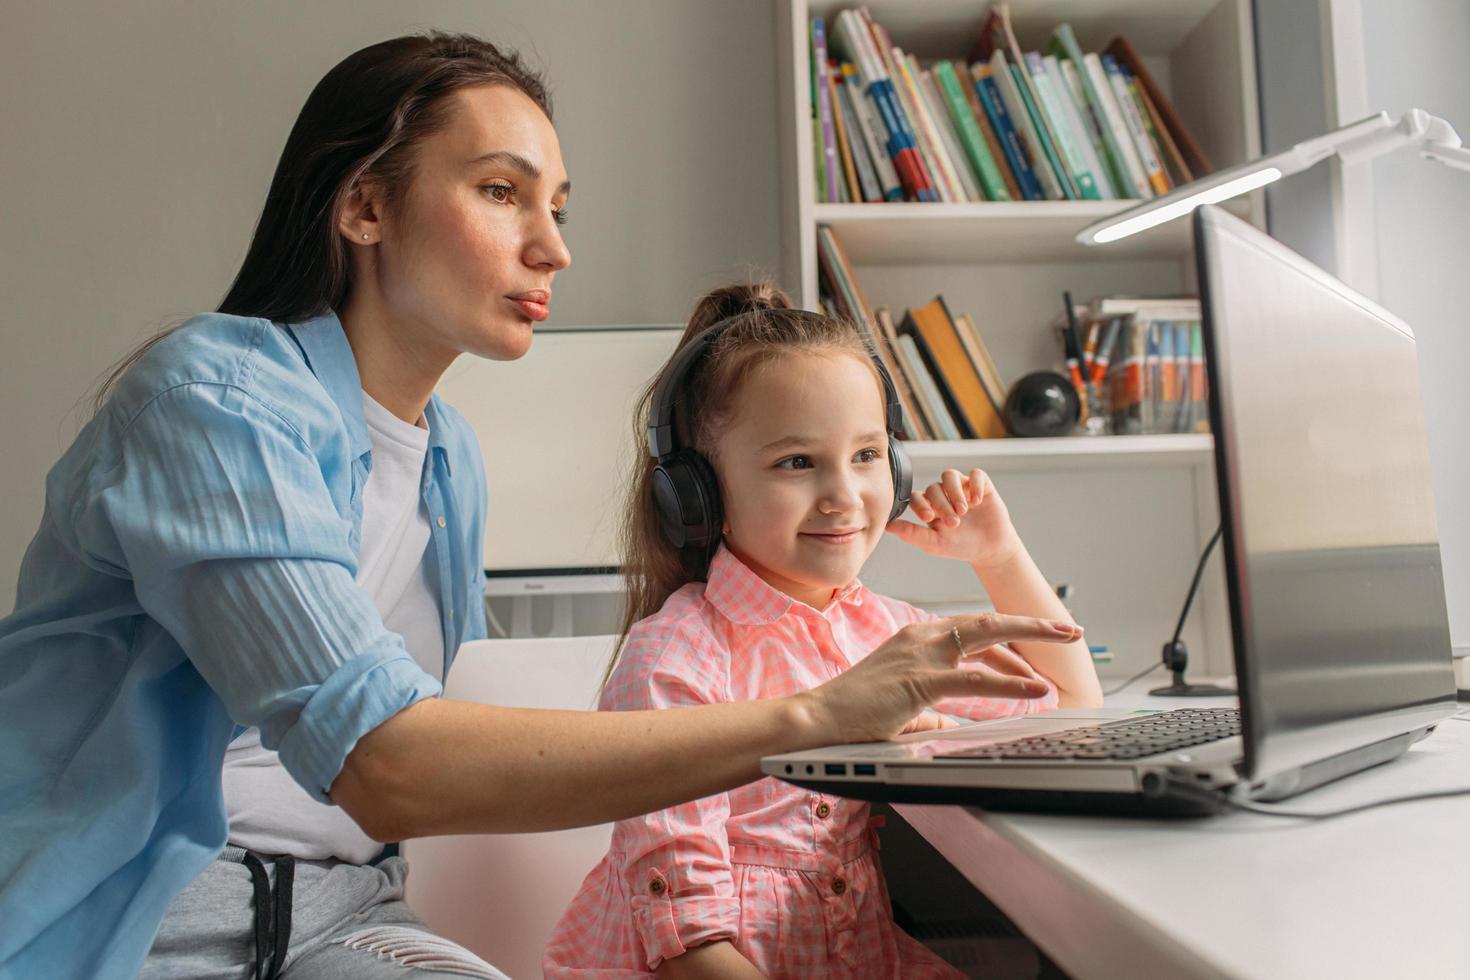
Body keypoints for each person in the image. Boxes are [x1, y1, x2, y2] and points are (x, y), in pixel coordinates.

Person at [0, 33, 1081, 980]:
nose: (555, 247)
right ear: (365, 204)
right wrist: (813, 718)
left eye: (558, 207)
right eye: (502, 192)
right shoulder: (213, 400)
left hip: (343, 918)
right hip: (144, 922)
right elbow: (386, 763)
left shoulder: (448, 459)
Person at [543, 284, 1102, 979]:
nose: (844, 495)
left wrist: (999, 557)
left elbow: (1071, 709)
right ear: (700, 495)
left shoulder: (882, 631)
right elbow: (686, 940)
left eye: (867, 455)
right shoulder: (674, 660)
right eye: (797, 462)